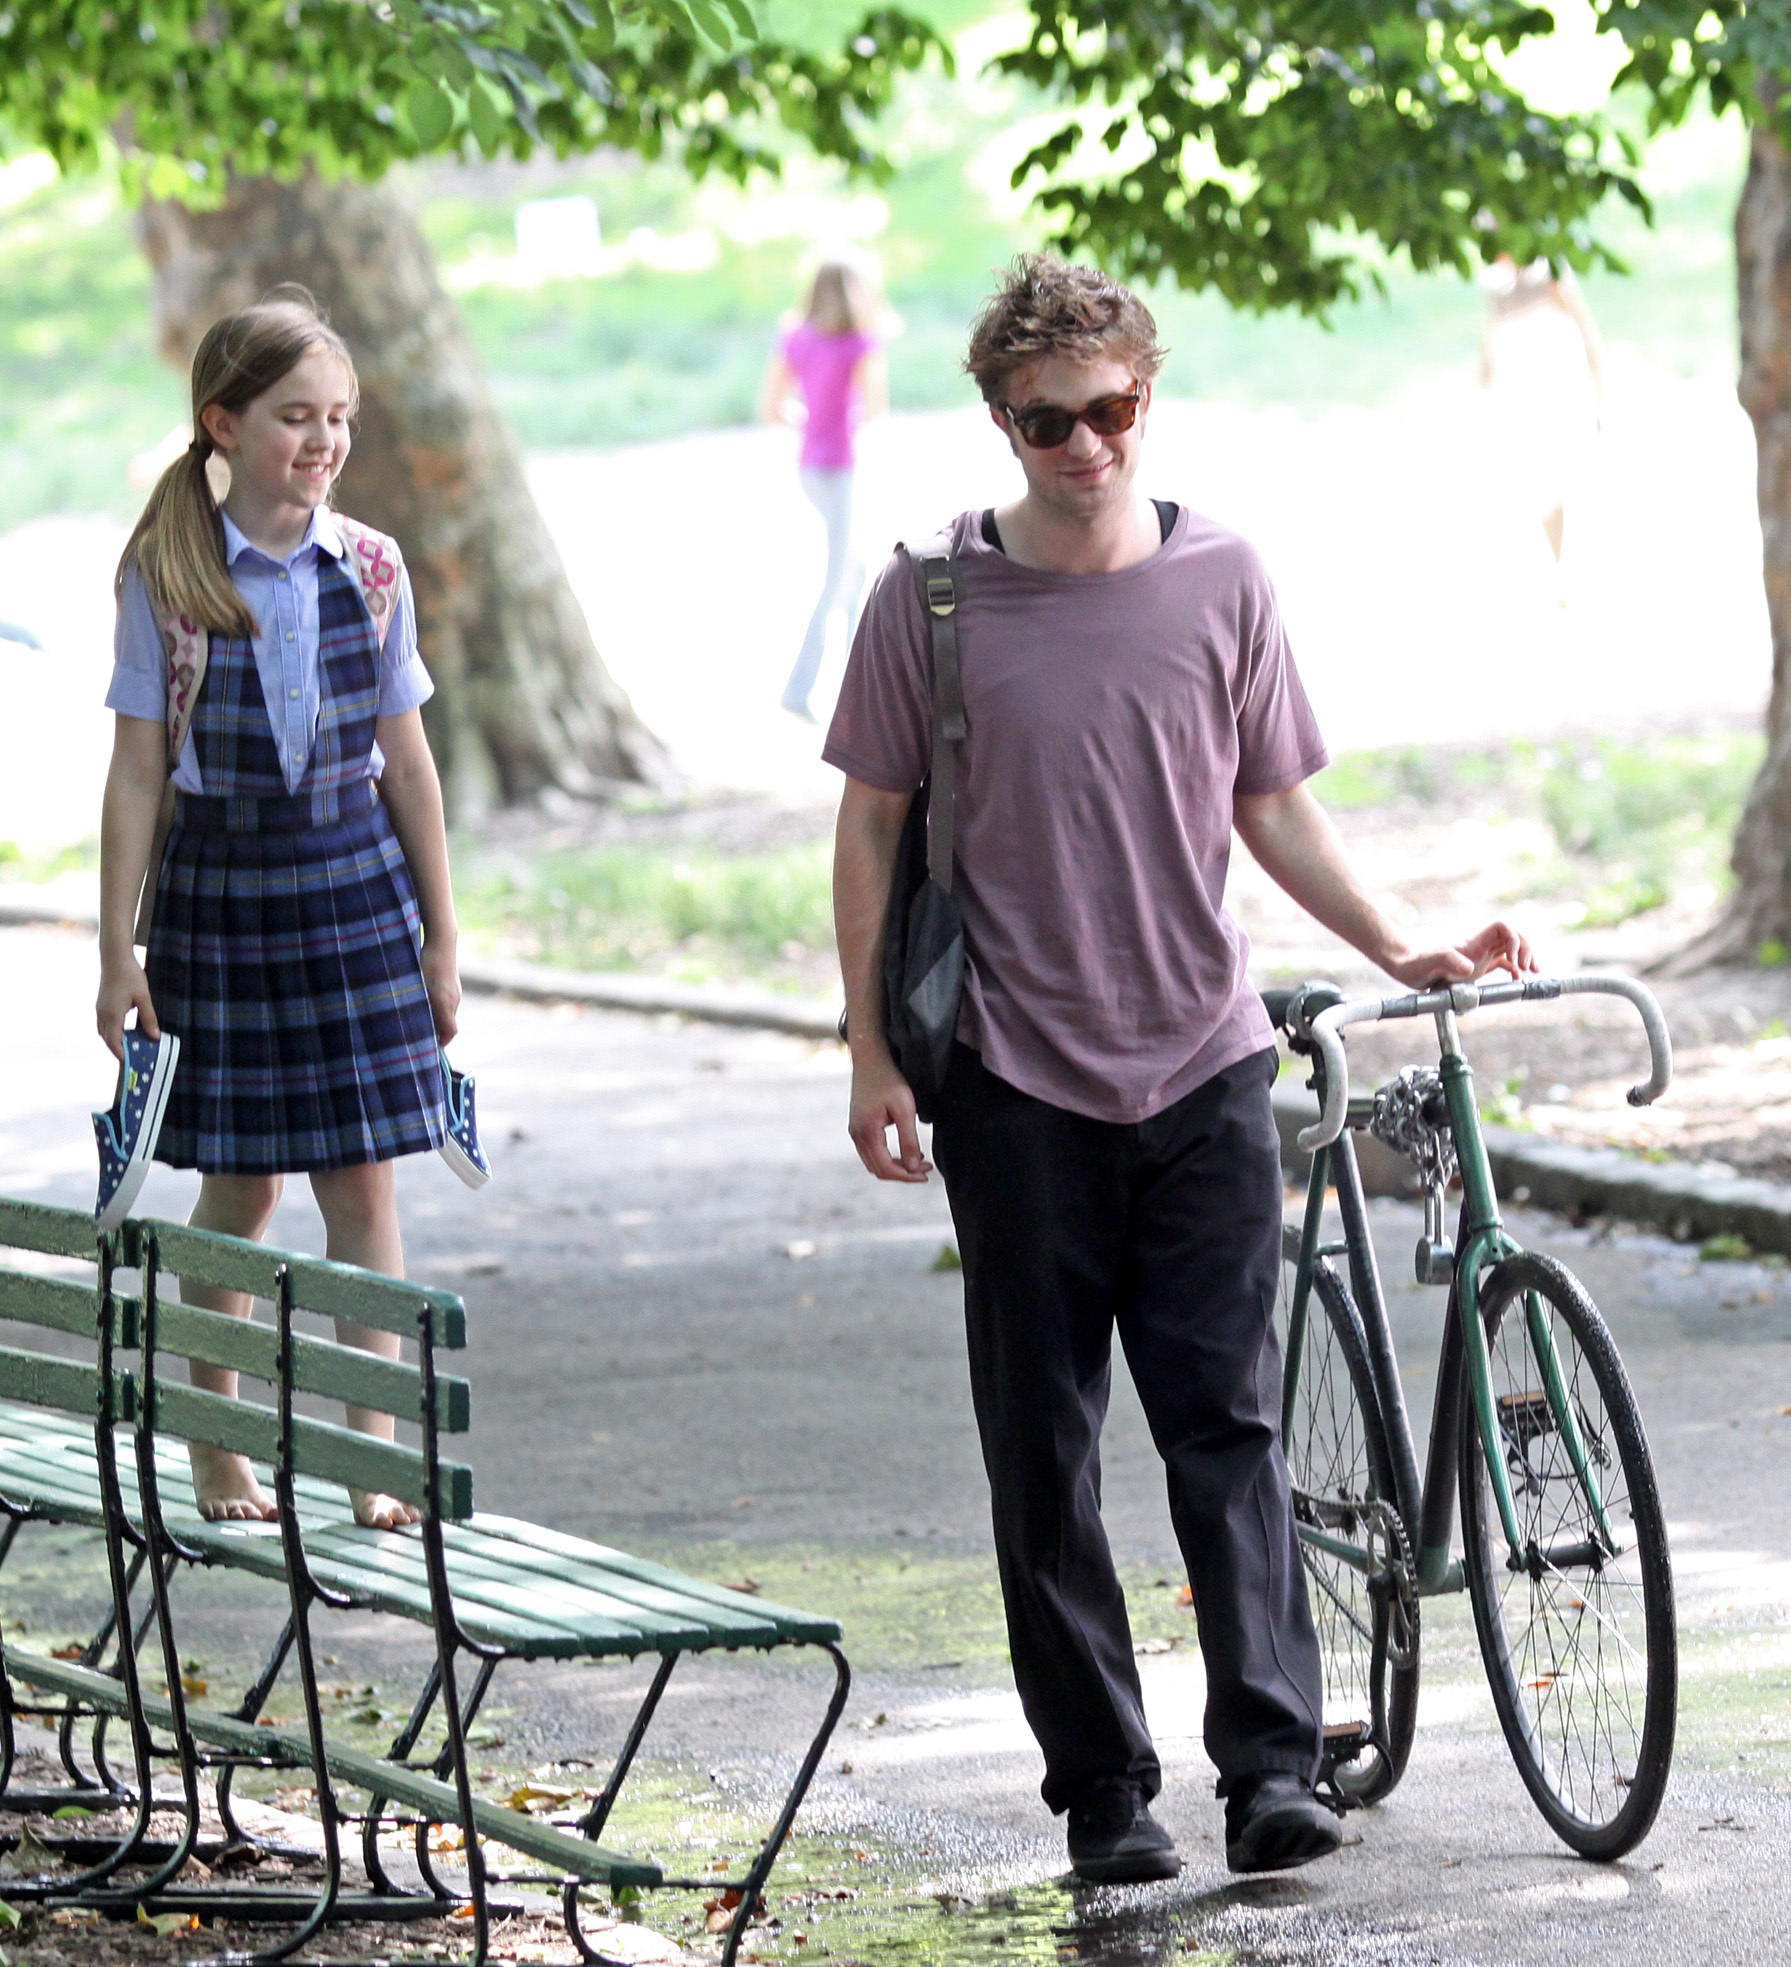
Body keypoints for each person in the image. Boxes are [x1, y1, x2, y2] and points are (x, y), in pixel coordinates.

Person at [826, 254, 1534, 1884]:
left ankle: (1272, 1763)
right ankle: (1103, 1790)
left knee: (1228, 1428)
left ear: (1148, 394)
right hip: (1012, 1080)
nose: (1086, 445)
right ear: (1000, 422)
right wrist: (868, 1046)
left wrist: (1400, 942)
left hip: (1202, 1065)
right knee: (1044, 1451)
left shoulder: (1221, 576)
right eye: (1047, 422)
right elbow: (867, 829)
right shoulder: (928, 600)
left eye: (1113, 409)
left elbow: (1270, 801)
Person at [97, 289, 463, 1530]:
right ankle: (220, 1451)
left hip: (355, 885)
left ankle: (373, 1458)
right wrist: (116, 950)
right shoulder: (167, 576)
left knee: (364, 1184)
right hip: (221, 893)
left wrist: (443, 935)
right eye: (296, 416)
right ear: (225, 423)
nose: (324, 440)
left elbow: (408, 764)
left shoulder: (373, 567)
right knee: (243, 1189)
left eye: (339, 417)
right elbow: (136, 771)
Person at [760, 256, 888, 721]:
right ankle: (799, 690)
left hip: (809, 469)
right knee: (838, 580)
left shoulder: (795, 338)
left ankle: (859, 682)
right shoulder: (861, 343)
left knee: (855, 573)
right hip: (840, 470)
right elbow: (875, 408)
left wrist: (811, 422)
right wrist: (843, 421)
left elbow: (772, 407)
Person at [1480, 255, 1604, 578]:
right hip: (1520, 394)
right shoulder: (1496, 280)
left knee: (1572, 475)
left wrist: (1597, 394)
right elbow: (1490, 338)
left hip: (1557, 385)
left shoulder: (1548, 268)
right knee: (1539, 483)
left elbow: (1584, 326)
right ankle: (1558, 568)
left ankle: (1578, 564)